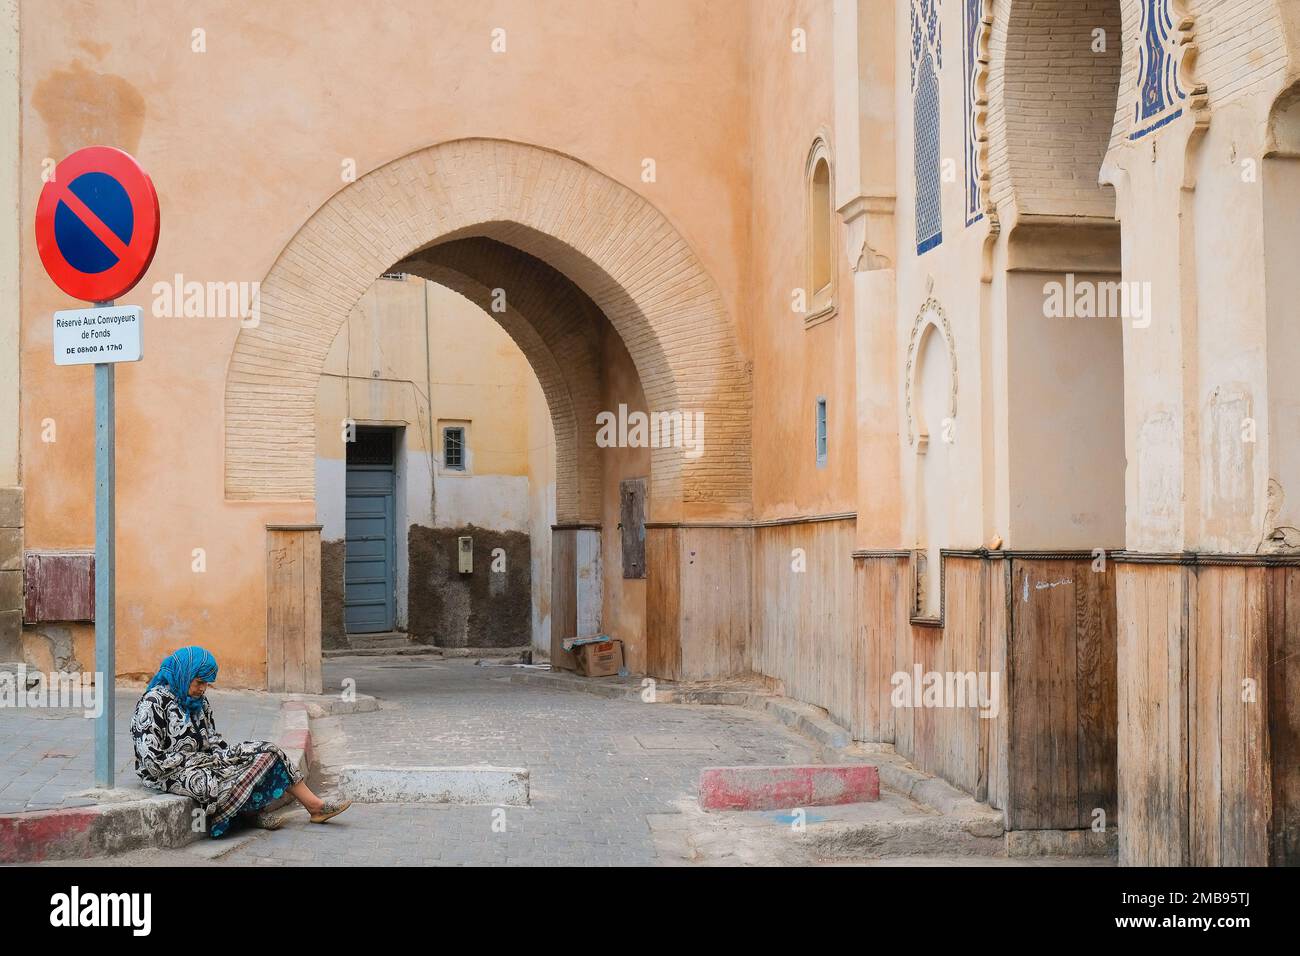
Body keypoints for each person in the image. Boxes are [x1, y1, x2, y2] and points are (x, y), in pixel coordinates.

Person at [130, 646, 350, 837]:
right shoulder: (153, 703)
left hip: (207, 761)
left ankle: (316, 807)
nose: (203, 688)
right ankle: (251, 814)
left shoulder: (198, 701)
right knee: (213, 786)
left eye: (206, 683)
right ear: (184, 674)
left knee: (268, 751)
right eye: (199, 682)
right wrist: (197, 761)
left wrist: (230, 758)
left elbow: (212, 740)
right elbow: (151, 762)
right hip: (170, 774)